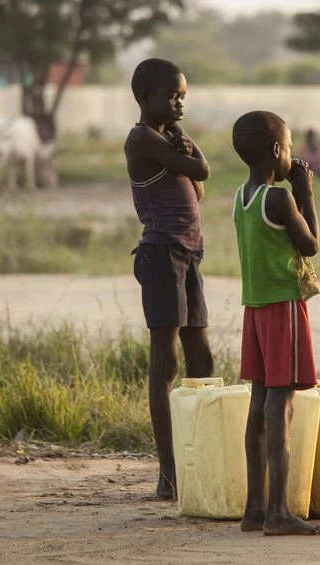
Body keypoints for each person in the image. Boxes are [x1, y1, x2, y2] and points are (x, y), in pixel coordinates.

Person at [124, 58, 215, 500]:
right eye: (171, 96)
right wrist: (190, 150)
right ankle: (170, 472)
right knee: (167, 363)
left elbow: (197, 191)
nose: (180, 104)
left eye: (183, 97)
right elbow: (202, 173)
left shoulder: (168, 140)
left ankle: (202, 458)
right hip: (161, 253)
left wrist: (184, 143)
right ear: (145, 99)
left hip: (189, 254)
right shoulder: (142, 138)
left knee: (203, 363)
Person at [231, 110, 320, 536]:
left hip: (254, 308)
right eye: (288, 148)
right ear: (275, 151)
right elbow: (311, 245)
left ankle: (254, 509)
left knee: (258, 403)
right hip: (282, 306)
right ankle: (278, 512)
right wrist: (305, 192)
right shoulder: (279, 199)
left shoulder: (240, 197)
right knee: (280, 405)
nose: (292, 156)